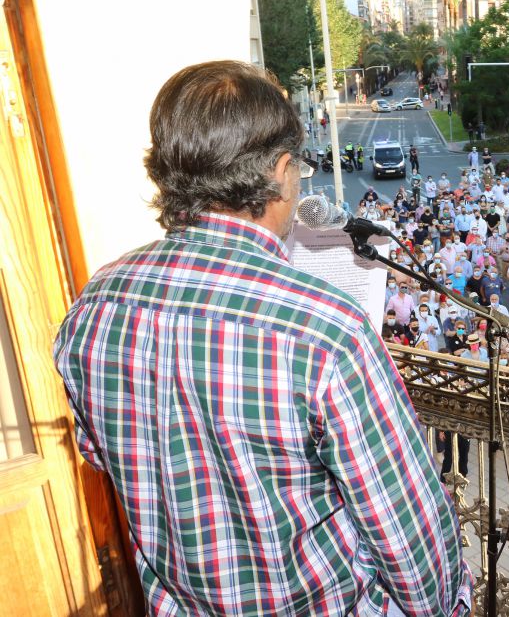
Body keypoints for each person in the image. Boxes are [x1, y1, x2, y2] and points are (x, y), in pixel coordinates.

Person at [51, 62, 471, 615]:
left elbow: (98, 453)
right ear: (278, 170)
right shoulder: (326, 333)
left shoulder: (95, 305)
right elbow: (409, 539)